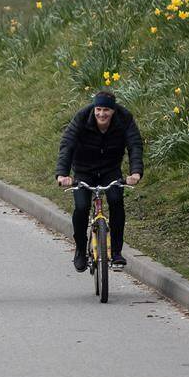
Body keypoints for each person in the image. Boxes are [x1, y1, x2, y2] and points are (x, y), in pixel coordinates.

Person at [55, 89, 144, 270]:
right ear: (94, 108)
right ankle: (80, 249)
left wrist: (135, 172)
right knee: (81, 207)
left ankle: (117, 252)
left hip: (110, 170)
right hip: (83, 170)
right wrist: (62, 174)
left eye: (106, 110)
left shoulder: (124, 118)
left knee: (116, 201)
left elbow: (134, 145)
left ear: (113, 111)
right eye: (99, 109)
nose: (101, 114)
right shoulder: (82, 117)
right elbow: (67, 144)